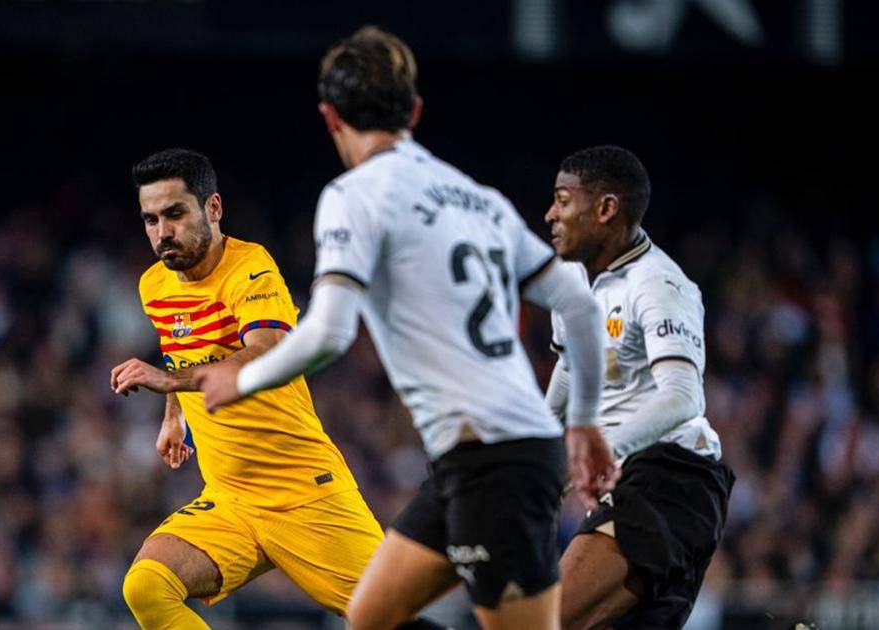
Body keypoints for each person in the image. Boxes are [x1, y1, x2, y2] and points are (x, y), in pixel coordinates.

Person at [195, 27, 616, 630]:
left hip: (495, 460)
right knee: (371, 617)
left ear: (330, 117)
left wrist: (243, 379)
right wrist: (585, 422)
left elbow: (331, 331)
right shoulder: (478, 199)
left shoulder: (354, 195)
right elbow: (577, 299)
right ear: (414, 111)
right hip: (473, 459)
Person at [110, 148, 390, 629]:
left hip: (303, 492)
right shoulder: (155, 284)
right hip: (231, 499)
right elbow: (180, 348)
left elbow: (267, 351)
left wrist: (167, 381)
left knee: (389, 618)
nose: (162, 232)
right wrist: (174, 414)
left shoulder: (250, 269)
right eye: (151, 220)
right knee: (147, 586)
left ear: (213, 208)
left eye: (175, 214)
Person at [543, 145, 734, 629]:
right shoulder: (569, 280)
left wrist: (598, 452)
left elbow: (683, 396)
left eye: (563, 201)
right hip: (631, 482)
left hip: (672, 478)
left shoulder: (660, 285)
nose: (550, 215)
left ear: (606, 209)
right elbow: (570, 367)